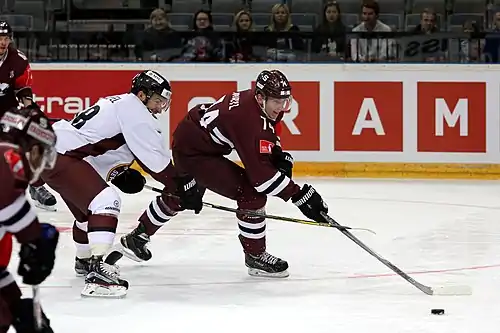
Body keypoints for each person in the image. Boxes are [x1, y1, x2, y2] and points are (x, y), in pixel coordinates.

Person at [120, 69, 328, 278]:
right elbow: (262, 180)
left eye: (285, 101)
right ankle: (256, 256)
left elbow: (268, 132)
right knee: (251, 194)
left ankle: (137, 237)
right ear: (260, 98)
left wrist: (277, 154)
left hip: (193, 138)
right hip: (195, 152)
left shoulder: (256, 103)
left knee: (184, 193)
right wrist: (299, 195)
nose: (281, 107)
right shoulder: (249, 120)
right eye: (276, 101)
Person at [41, 70, 203, 298]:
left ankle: (84, 260)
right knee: (106, 202)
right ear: (142, 95)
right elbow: (156, 162)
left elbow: (94, 145)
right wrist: (181, 186)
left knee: (87, 216)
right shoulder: (136, 111)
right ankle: (99, 275)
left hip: (54, 153)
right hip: (62, 156)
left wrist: (118, 173)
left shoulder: (117, 103)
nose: (159, 108)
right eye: (157, 100)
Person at [0, 106, 59, 333]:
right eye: (43, 153)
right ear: (34, 150)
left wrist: (15, 305)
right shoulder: (5, 155)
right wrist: (36, 237)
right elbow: (7, 204)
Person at [0, 20, 58, 211]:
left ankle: (36, 186)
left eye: (6, 38)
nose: (3, 42)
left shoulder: (18, 60)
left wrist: (31, 109)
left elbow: (23, 89)